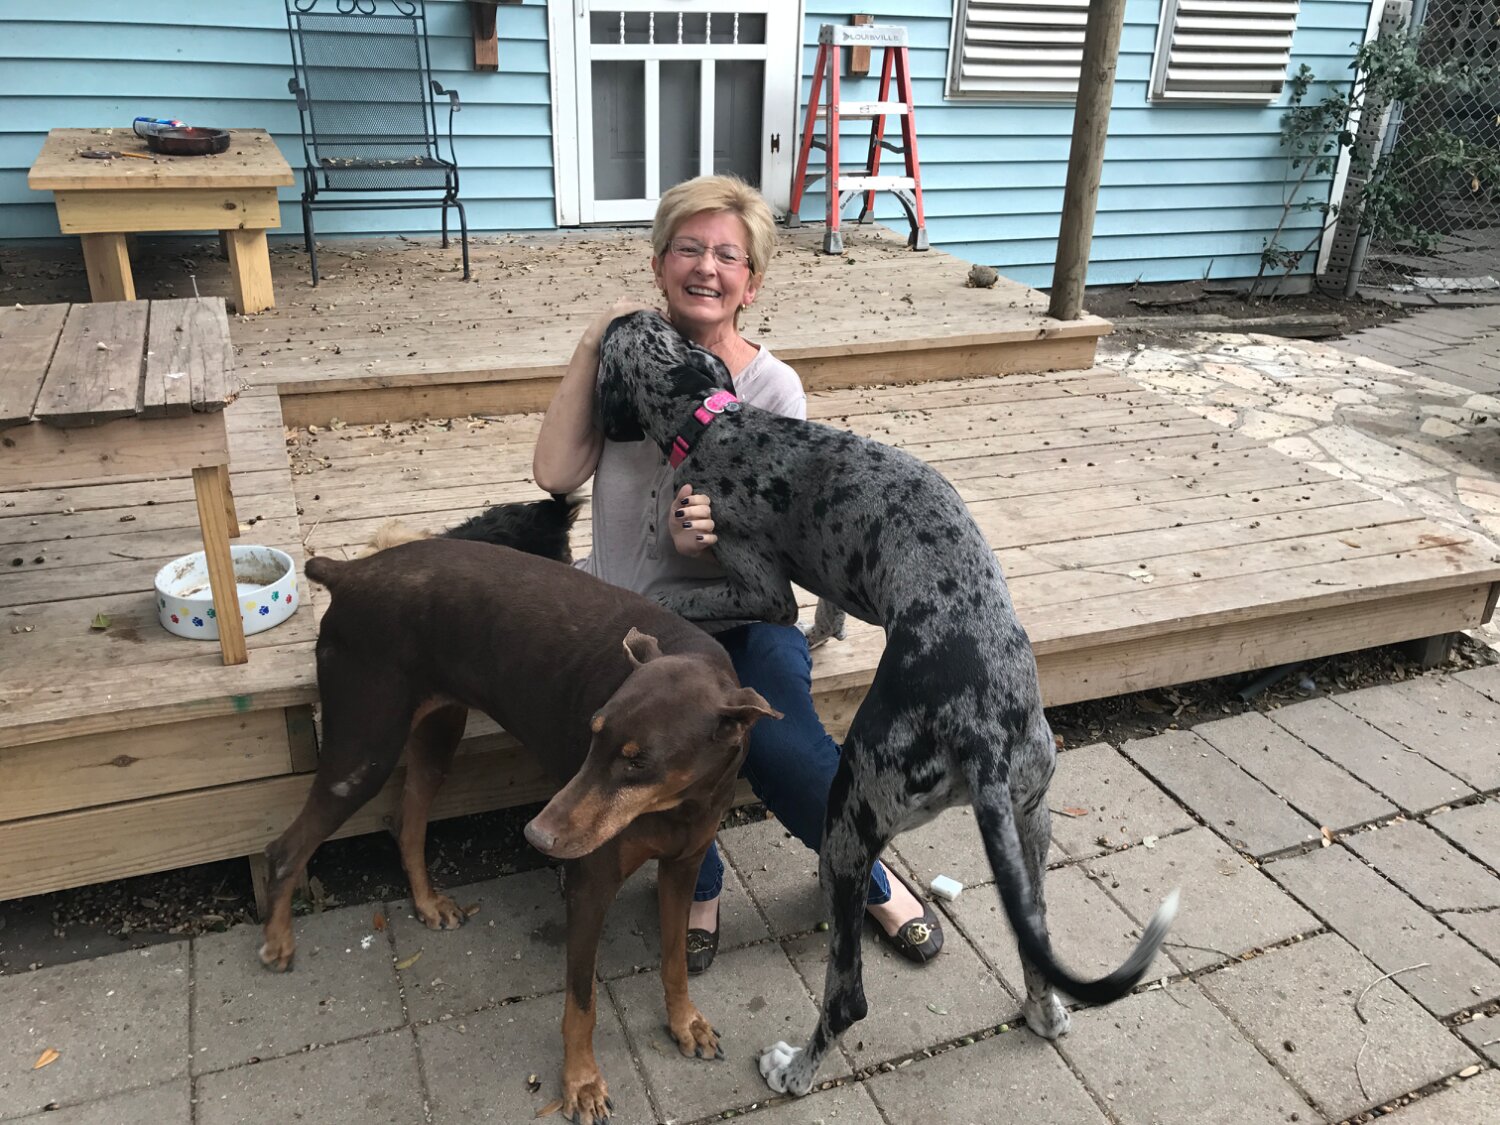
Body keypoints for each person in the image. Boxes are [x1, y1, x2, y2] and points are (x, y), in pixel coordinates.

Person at [532, 174, 943, 972]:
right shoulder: (628, 361)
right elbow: (554, 474)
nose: (706, 267)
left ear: (750, 283)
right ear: (659, 264)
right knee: (641, 744)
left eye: (728, 255)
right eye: (689, 248)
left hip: (744, 613)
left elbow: (790, 542)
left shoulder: (770, 387)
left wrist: (715, 543)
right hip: (628, 613)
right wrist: (590, 343)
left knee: (784, 747)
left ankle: (869, 874)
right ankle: (702, 882)